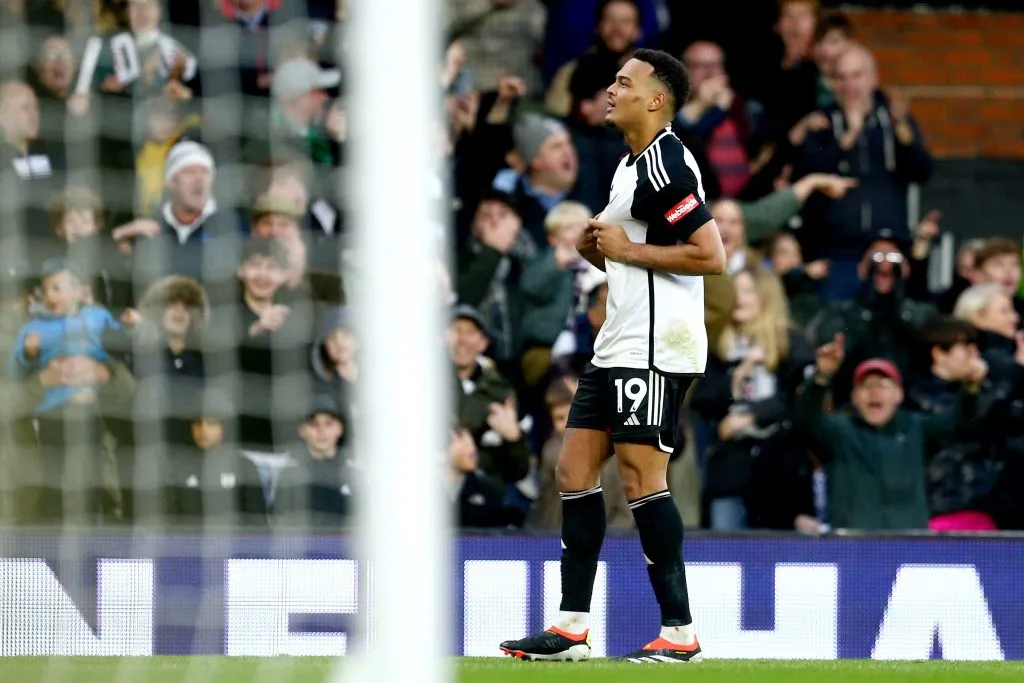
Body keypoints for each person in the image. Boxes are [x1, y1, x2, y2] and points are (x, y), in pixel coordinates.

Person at [500, 49, 725, 663]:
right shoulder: (631, 165)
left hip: (656, 347)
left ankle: (680, 635)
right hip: (618, 341)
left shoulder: (668, 166)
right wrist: (596, 251)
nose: (611, 88)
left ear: (656, 99)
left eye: (625, 82)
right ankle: (572, 630)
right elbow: (631, 256)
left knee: (640, 479)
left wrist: (622, 250)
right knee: (573, 472)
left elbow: (711, 255)